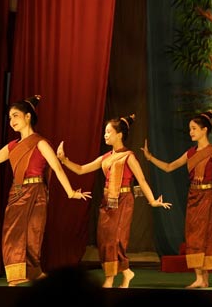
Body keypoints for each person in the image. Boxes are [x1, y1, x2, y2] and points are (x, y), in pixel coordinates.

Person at [0, 95, 91, 286]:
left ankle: (33, 273)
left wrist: (70, 192)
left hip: (36, 192)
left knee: (32, 235)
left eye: (15, 116)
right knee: (12, 235)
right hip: (17, 193)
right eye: (10, 117)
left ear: (28, 117)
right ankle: (17, 278)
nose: (11, 121)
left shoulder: (40, 143)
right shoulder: (12, 146)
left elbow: (57, 168)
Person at [57, 114, 171, 288]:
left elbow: (142, 180)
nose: (105, 135)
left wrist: (153, 201)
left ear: (119, 135)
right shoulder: (106, 157)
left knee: (115, 240)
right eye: (105, 132)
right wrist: (64, 160)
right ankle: (126, 273)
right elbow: (80, 169)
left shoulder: (128, 156)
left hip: (123, 200)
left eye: (109, 132)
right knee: (104, 241)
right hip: (107, 202)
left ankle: (110, 279)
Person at [142, 111, 212, 288]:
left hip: (208, 197)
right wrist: (150, 158)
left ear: (204, 130)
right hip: (193, 197)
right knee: (193, 236)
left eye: (194, 129)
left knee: (204, 236)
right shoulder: (190, 153)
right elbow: (170, 167)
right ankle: (201, 277)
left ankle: (202, 278)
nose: (191, 132)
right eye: (190, 129)